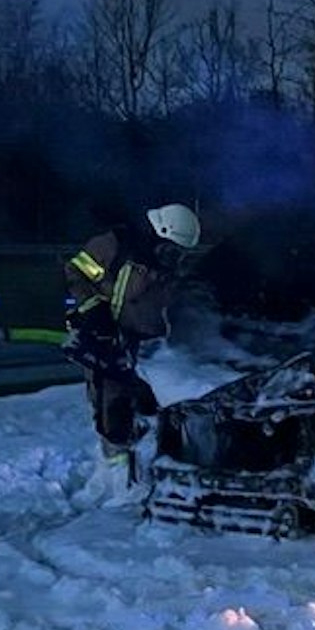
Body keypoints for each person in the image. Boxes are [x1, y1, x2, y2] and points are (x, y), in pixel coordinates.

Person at [62, 203, 201, 497]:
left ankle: (146, 472)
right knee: (113, 412)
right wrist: (91, 308)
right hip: (105, 342)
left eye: (178, 253)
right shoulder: (116, 246)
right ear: (159, 234)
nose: (173, 258)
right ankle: (115, 480)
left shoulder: (166, 269)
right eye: (170, 249)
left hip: (145, 352)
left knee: (154, 413)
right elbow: (75, 271)